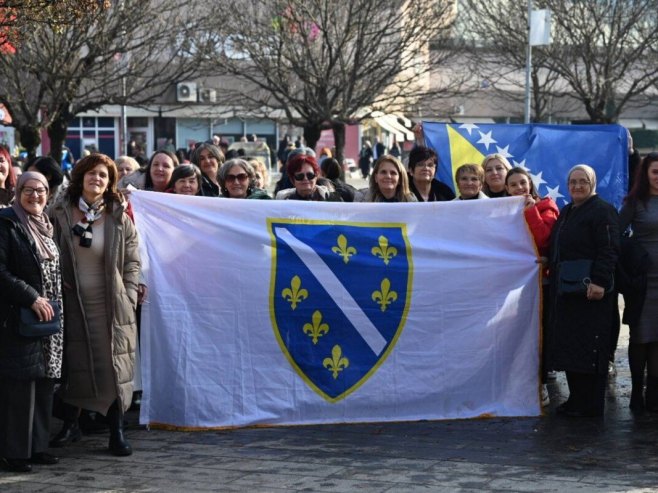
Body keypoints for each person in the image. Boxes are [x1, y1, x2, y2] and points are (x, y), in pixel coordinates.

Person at [50, 154, 140, 456]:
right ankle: (70, 425)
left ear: (110, 181)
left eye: (102, 175)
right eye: (90, 173)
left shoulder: (118, 216)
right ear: (80, 177)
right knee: (75, 364)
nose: (96, 179)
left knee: (112, 366)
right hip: (72, 302)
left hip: (110, 304)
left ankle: (116, 430)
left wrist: (127, 295)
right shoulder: (60, 212)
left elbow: (132, 261)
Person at [0, 171, 63, 472]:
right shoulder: (7, 223)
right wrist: (31, 298)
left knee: (44, 381)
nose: (35, 195)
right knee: (20, 386)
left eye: (41, 190)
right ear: (17, 191)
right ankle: (16, 452)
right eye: (28, 189)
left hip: (49, 319)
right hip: (20, 316)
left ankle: (38, 447)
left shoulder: (47, 226)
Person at [549, 164, 619, 417]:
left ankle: (590, 405)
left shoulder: (603, 211)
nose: (577, 186)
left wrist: (599, 281)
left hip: (592, 293)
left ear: (592, 183)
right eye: (573, 182)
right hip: (569, 292)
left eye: (583, 181)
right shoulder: (567, 211)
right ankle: (577, 400)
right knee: (572, 347)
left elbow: (609, 249)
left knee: (591, 348)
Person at [505, 167, 559, 406]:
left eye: (522, 183)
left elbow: (545, 239)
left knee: (539, 333)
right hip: (507, 284)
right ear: (506, 189)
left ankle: (541, 383)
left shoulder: (546, 207)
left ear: (530, 185)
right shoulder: (498, 211)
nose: (519, 188)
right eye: (513, 184)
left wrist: (530, 212)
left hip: (539, 282)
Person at [619, 152, 658, 412]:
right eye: (655, 172)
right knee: (640, 337)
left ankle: (653, 394)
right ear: (646, 174)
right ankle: (636, 393)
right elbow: (617, 234)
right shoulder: (635, 202)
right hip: (643, 281)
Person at [276, 154, 342, 201]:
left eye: (310, 175)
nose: (305, 179)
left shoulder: (331, 199)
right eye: (300, 176)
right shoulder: (282, 200)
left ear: (316, 177)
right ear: (292, 180)